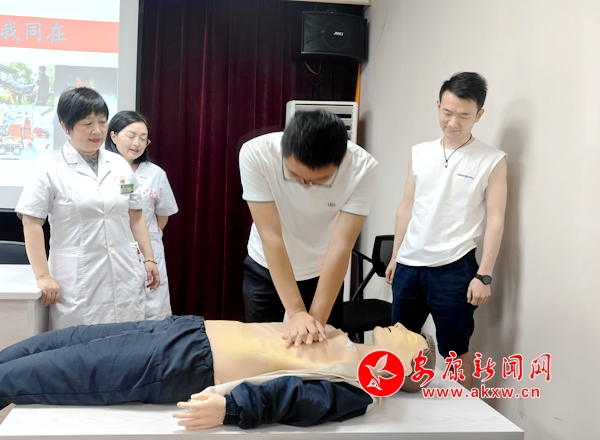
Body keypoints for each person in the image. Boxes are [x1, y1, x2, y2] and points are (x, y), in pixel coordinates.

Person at [0, 316, 435, 430]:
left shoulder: (356, 389)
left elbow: (292, 400)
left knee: (32, 375)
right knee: (43, 347)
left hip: (180, 363)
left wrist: (231, 409)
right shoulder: (346, 341)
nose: (401, 325)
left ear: (408, 367)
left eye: (411, 337)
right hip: (184, 330)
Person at [385, 72, 507, 390]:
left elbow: (496, 219)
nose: (453, 122)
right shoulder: (420, 152)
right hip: (409, 265)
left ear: (479, 115)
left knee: (455, 351)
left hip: (454, 268)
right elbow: (407, 205)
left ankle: (462, 413)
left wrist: (484, 275)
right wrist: (395, 256)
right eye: (447, 112)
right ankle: (402, 409)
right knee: (401, 345)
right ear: (438, 105)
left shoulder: (492, 160)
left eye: (464, 115)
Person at [15, 87, 160, 330]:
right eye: (87, 123)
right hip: (78, 278)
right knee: (80, 343)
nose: (97, 130)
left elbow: (135, 215)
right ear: (65, 126)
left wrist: (149, 258)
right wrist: (42, 275)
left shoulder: (118, 164)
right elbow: (31, 223)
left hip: (124, 272)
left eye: (102, 122)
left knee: (125, 340)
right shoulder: (49, 168)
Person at [239, 110, 378, 348]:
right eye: (295, 175)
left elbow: (341, 245)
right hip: (266, 266)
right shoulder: (257, 154)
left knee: (322, 347)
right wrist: (295, 313)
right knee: (261, 348)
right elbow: (271, 237)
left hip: (323, 271)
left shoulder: (362, 168)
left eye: (318, 180)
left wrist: (315, 324)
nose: (305, 186)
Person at [105, 111, 178, 320]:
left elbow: (162, 216)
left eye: (143, 138)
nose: (137, 143)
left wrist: (146, 239)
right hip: (113, 247)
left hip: (149, 250)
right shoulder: (103, 171)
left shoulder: (156, 174)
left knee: (153, 311)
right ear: (113, 136)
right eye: (131, 136)